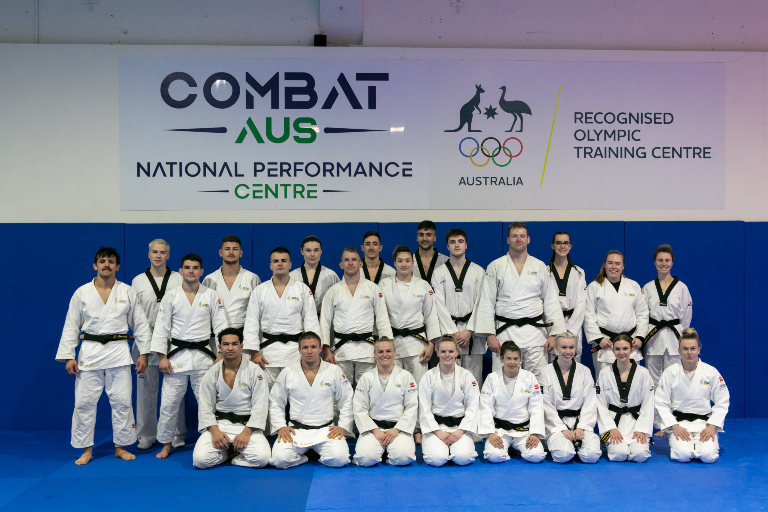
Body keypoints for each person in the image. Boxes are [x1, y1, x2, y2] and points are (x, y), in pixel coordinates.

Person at [56, 247, 153, 465]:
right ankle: (86, 449)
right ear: (95, 265)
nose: (106, 264)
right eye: (102, 261)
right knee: (84, 403)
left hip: (119, 352)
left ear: (117, 266)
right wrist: (69, 355)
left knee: (122, 402)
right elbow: (71, 325)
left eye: (111, 261)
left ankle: (121, 446)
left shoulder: (127, 291)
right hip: (89, 351)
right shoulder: (82, 292)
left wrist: (144, 353)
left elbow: (140, 325)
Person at [151, 253, 229, 459]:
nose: (191, 271)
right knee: (168, 404)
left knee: (207, 403)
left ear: (201, 272)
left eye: (195, 267)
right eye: (187, 267)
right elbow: (161, 328)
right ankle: (166, 443)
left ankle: (208, 440)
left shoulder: (211, 295)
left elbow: (221, 326)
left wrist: (221, 353)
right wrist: (161, 357)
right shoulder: (171, 296)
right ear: (181, 271)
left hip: (204, 357)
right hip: (176, 358)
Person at [471, 222, 566, 378]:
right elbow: (486, 302)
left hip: (535, 334)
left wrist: (553, 334)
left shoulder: (540, 266)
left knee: (538, 381)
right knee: (504, 380)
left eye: (522, 236)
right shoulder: (495, 266)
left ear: (528, 239)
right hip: (505, 333)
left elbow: (550, 301)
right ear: (508, 239)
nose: (518, 239)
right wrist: (490, 335)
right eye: (514, 236)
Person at [131, 239, 186, 450]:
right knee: (145, 391)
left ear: (168, 256)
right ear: (148, 255)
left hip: (173, 341)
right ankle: (146, 434)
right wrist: (142, 343)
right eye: (154, 252)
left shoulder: (177, 278)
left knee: (175, 390)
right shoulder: (138, 281)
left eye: (162, 252)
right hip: (145, 341)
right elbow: (135, 315)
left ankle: (176, 433)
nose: (158, 256)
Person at [269, 331, 354, 469]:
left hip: (326, 430)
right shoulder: (288, 372)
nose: (309, 351)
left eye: (314, 347)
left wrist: (343, 425)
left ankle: (314, 453)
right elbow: (276, 401)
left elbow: (347, 399)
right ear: (299, 350)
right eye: (305, 347)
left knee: (340, 459)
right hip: (296, 430)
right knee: (279, 460)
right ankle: (308, 457)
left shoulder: (334, 371)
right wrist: (281, 426)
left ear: (321, 348)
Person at [192, 328, 271, 469]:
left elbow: (261, 405)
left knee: (262, 459)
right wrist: (215, 432)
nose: (230, 348)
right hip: (220, 424)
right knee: (200, 461)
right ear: (220, 347)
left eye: (234, 344)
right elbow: (205, 405)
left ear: (241, 346)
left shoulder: (255, 371)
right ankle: (225, 453)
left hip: (247, 425)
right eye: (226, 344)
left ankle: (234, 458)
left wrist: (247, 432)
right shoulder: (212, 372)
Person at [243, 247, 320, 389]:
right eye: (276, 261)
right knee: (267, 399)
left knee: (298, 396)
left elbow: (311, 322)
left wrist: (311, 351)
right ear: (270, 265)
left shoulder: (302, 289)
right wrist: (254, 353)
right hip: (268, 353)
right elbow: (251, 323)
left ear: (290, 265)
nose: (280, 264)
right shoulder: (259, 291)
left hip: (295, 353)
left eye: (284, 261)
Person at [655, 328, 729, 464]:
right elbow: (661, 402)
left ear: (699, 349)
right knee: (683, 455)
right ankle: (687, 445)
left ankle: (701, 445)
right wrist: (674, 425)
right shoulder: (670, 372)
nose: (689, 352)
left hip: (704, 424)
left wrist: (712, 426)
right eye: (685, 349)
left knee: (708, 457)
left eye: (693, 348)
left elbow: (722, 400)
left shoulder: (710, 371)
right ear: (679, 351)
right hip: (679, 423)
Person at [321, 247, 392, 385]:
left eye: (354, 259)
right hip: (341, 350)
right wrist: (326, 349)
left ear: (361, 264)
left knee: (368, 391)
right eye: (346, 260)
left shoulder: (373, 289)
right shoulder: (333, 291)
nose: (350, 263)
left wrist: (385, 347)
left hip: (367, 350)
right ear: (341, 265)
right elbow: (324, 321)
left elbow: (382, 320)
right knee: (340, 393)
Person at [379, 245, 443, 385]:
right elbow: (380, 317)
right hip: (392, 344)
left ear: (413, 262)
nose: (404, 264)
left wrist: (431, 345)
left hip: (417, 345)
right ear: (394, 263)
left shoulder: (423, 285)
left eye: (407, 261)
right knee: (393, 387)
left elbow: (431, 316)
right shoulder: (384, 285)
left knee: (419, 387)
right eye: (400, 261)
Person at [431, 228, 487, 386]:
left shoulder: (478, 271)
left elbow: (482, 303)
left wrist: (469, 330)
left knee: (473, 380)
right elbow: (438, 305)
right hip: (449, 334)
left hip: (472, 336)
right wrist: (453, 333)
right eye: (452, 242)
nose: (457, 245)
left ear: (466, 245)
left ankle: (474, 410)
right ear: (447, 246)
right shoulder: (439, 273)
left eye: (460, 241)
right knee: (449, 379)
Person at [352, 337, 418, 466]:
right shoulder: (366, 377)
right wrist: (375, 430)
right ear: (375, 354)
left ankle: (389, 452)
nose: (384, 355)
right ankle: (379, 450)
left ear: (395, 353)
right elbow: (359, 407)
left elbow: (412, 406)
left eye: (388, 351)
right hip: (373, 428)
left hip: (398, 429)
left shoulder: (406, 376)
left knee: (403, 458)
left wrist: (397, 429)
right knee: (366, 459)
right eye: (380, 352)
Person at [477, 341, 546, 463]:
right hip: (500, 431)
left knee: (537, 456)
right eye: (508, 358)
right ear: (502, 358)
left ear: (521, 360)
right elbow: (485, 406)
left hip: (524, 430)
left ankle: (515, 447)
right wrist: (490, 433)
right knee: (494, 456)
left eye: (516, 359)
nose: (512, 362)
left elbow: (537, 407)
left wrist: (535, 433)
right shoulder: (492, 378)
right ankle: (510, 449)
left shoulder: (529, 377)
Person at [584, 250, 649, 377]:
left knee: (633, 382)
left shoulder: (633, 285)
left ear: (623, 266)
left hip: (630, 343)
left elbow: (642, 313)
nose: (614, 267)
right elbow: (588, 315)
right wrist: (598, 338)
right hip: (605, 343)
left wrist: (640, 337)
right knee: (605, 383)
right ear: (605, 265)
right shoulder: (594, 287)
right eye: (610, 263)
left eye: (617, 263)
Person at [539, 332, 601, 463]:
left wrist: (581, 426)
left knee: (592, 456)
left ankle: (576, 443)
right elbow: (545, 404)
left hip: (580, 422)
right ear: (556, 347)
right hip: (556, 423)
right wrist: (561, 428)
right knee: (564, 455)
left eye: (571, 347)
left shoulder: (584, 371)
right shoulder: (546, 371)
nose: (568, 351)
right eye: (564, 347)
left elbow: (590, 401)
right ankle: (568, 445)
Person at [419, 335, 480, 466]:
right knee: (437, 459)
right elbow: (424, 408)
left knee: (463, 458)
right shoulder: (428, 377)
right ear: (437, 353)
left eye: (451, 351)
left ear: (457, 353)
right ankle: (441, 447)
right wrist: (438, 432)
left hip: (460, 428)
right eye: (443, 351)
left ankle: (455, 447)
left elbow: (473, 406)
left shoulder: (467, 376)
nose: (447, 355)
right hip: (435, 428)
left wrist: (460, 432)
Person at [595, 335, 654, 463]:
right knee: (619, 454)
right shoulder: (604, 373)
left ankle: (634, 447)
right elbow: (600, 403)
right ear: (612, 350)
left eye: (625, 349)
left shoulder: (643, 373)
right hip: (614, 421)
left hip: (635, 422)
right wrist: (611, 428)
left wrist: (642, 429)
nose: (621, 353)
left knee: (640, 455)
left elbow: (648, 403)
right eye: (617, 349)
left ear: (632, 350)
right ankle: (619, 446)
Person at [642, 245, 692, 385]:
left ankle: (672, 407)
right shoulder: (647, 288)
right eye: (660, 260)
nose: (663, 263)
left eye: (667, 260)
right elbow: (642, 315)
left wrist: (682, 335)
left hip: (674, 339)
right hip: (653, 338)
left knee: (674, 380)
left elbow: (686, 317)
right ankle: (654, 408)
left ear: (672, 262)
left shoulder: (682, 288)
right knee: (652, 381)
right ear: (654, 262)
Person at [202, 235, 261, 339]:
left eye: (235, 249)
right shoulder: (210, 279)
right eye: (227, 249)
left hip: (242, 336)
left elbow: (258, 311)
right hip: (216, 336)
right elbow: (203, 310)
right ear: (220, 252)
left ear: (240, 253)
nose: (231, 252)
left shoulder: (252, 278)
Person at [546, 231, 587, 364]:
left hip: (572, 325)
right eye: (558, 243)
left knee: (573, 368)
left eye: (565, 243)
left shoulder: (579, 272)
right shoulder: (545, 272)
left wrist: (569, 330)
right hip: (551, 326)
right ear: (552, 245)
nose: (562, 246)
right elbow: (543, 302)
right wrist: (556, 329)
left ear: (570, 246)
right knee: (552, 368)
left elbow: (581, 303)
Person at [289, 235, 340, 316]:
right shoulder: (291, 276)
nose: (312, 254)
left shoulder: (331, 275)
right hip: (299, 322)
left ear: (321, 251)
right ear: (302, 251)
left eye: (316, 250)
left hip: (323, 320)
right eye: (308, 250)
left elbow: (338, 302)